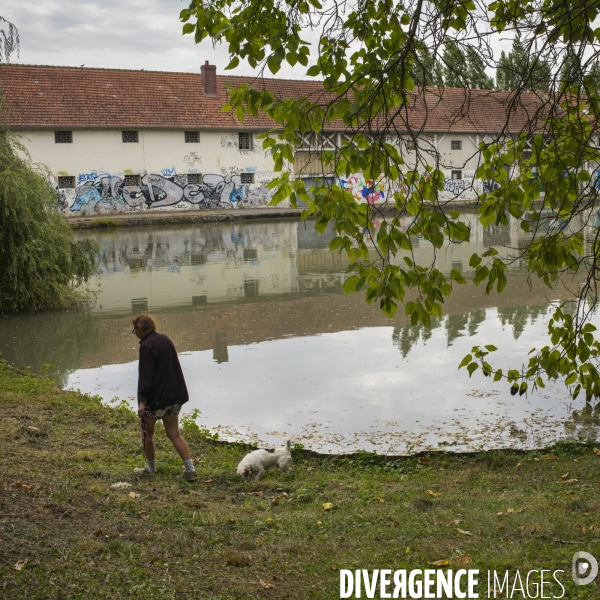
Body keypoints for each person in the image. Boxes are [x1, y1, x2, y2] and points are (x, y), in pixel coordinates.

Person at [132, 313, 198, 481]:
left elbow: (146, 377)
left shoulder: (146, 346)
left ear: (140, 327)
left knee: (147, 433)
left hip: (156, 401)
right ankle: (190, 470)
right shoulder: (165, 339)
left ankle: (151, 469)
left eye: (135, 331)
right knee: (174, 433)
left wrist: (142, 402)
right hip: (174, 397)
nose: (135, 334)